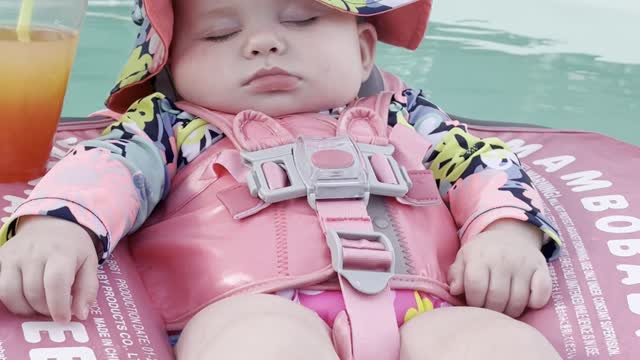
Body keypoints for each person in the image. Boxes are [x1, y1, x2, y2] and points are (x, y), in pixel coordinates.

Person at [0, 0, 563, 358]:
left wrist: (505, 232)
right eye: (219, 33)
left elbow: (483, 164)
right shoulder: (175, 127)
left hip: (426, 311)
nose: (262, 43)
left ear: (364, 48)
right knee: (257, 342)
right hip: (250, 304)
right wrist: (59, 227)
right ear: (171, 70)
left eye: (301, 19)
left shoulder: (404, 116)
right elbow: (108, 167)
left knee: (490, 344)